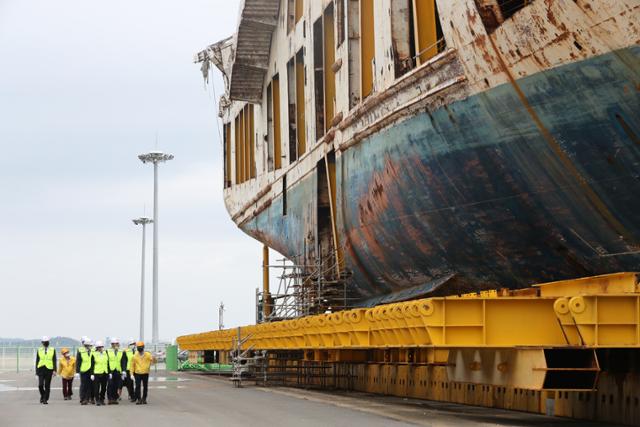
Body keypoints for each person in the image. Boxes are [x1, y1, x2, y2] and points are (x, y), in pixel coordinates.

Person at [35, 336, 57, 405]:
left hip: (49, 369)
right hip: (41, 368)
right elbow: (37, 360)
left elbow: (54, 360)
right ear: (42, 343)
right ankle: (43, 395)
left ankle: (45, 399)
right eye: (44, 342)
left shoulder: (52, 350)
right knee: (40, 385)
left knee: (47, 385)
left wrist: (54, 370)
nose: (46, 343)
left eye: (47, 342)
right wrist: (36, 372)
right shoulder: (39, 350)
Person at [106, 338, 125, 405]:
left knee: (116, 385)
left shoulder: (121, 351)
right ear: (112, 344)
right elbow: (106, 361)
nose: (116, 345)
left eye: (117, 343)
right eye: (115, 343)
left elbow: (123, 361)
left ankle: (114, 399)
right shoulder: (108, 351)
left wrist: (123, 370)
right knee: (110, 384)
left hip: (118, 370)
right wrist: (108, 371)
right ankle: (110, 399)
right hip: (111, 370)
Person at [90, 341, 109, 406]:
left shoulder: (105, 353)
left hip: (105, 372)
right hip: (97, 373)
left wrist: (109, 372)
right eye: (99, 347)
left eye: (101, 347)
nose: (101, 348)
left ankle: (102, 399)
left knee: (104, 388)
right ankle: (97, 400)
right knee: (96, 388)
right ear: (97, 348)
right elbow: (92, 365)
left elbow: (107, 363)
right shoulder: (94, 354)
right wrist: (92, 374)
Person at [76, 338, 94, 405]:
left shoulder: (93, 350)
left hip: (91, 370)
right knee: (83, 385)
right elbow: (78, 361)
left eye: (90, 345)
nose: (89, 346)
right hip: (83, 370)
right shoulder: (80, 350)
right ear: (85, 345)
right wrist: (77, 371)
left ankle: (87, 399)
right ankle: (82, 398)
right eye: (87, 345)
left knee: (89, 385)